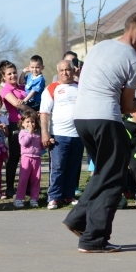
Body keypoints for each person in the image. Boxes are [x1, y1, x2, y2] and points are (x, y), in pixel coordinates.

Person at [62, 12, 136, 253]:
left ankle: (78, 219)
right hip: (106, 119)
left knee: (104, 172)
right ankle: (93, 239)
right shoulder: (134, 61)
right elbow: (127, 108)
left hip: (81, 118)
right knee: (114, 178)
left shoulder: (100, 47)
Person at [40, 60, 83, 209]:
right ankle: (54, 197)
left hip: (78, 135)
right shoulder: (51, 89)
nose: (65, 73)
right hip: (59, 135)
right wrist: (45, 133)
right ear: (58, 72)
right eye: (62, 70)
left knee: (73, 167)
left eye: (68, 70)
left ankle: (68, 195)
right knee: (58, 167)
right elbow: (44, 113)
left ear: (73, 71)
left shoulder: (81, 87)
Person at [0, 62, 30, 199]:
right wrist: (35, 114)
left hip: (29, 125)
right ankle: (10, 188)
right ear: (3, 76)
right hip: (15, 125)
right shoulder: (5, 90)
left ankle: (28, 187)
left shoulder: (22, 87)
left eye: (14, 72)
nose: (13, 75)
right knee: (14, 157)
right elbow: (17, 103)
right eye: (9, 73)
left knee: (28, 157)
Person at [15, 110, 43, 208]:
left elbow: (41, 146)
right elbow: (24, 143)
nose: (30, 124)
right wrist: (30, 133)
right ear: (22, 123)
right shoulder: (22, 133)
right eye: (27, 122)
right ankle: (19, 199)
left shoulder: (37, 133)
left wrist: (47, 143)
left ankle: (34, 198)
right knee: (23, 179)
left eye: (32, 122)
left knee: (36, 179)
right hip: (26, 158)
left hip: (36, 159)